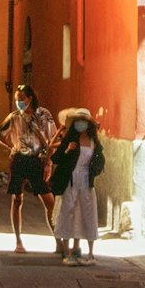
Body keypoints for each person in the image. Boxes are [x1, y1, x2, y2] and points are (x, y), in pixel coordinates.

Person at [0, 84, 57, 253]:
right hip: (19, 159)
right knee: (17, 199)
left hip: (37, 160)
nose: (18, 102)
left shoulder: (43, 115)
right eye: (16, 100)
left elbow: (52, 140)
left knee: (49, 201)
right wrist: (11, 147)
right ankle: (18, 241)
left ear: (30, 98)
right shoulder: (14, 117)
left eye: (21, 99)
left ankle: (59, 241)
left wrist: (48, 162)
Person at [50, 109, 105, 264]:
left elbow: (100, 161)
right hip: (71, 180)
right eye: (78, 121)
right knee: (68, 211)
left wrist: (94, 172)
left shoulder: (95, 142)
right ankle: (67, 251)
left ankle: (90, 253)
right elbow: (56, 158)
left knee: (87, 212)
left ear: (89, 124)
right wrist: (68, 150)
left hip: (87, 181)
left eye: (84, 121)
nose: (81, 124)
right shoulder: (70, 140)